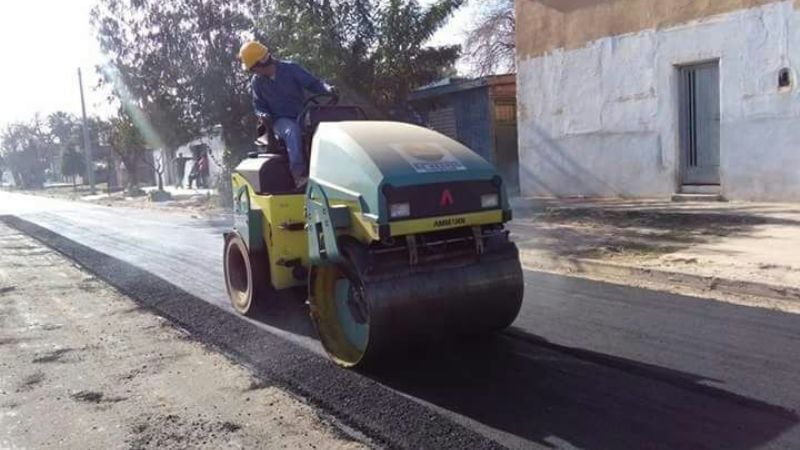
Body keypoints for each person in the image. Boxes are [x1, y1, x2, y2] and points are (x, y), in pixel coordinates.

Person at [238, 41, 334, 188]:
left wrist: (328, 89)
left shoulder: (291, 69)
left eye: (253, 69)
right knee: (292, 131)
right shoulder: (257, 82)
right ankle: (299, 175)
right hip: (279, 121)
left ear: (260, 64)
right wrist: (264, 115)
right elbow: (259, 105)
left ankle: (329, 173)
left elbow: (314, 84)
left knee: (325, 130)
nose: (253, 72)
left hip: (302, 115)